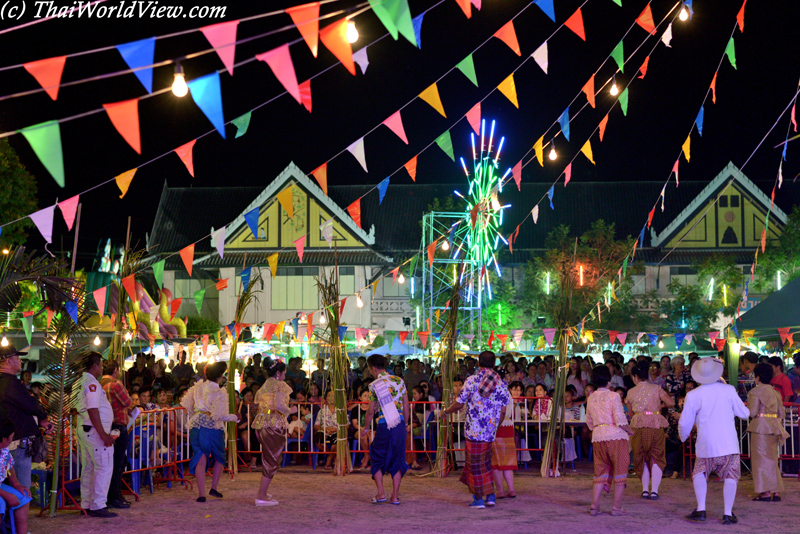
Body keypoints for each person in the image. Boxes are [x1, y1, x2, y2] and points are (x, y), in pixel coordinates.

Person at [680, 357, 750, 525]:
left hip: (706, 443)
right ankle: (727, 514)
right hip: (728, 443)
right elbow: (744, 413)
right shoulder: (729, 390)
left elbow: (684, 422)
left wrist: (683, 436)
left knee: (699, 473)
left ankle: (701, 509)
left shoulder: (693, 394)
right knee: (731, 476)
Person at [442, 351, 511, 509]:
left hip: (473, 430)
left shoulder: (471, 381)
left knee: (474, 465)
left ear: (478, 363)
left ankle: (479, 498)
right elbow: (503, 411)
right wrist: (495, 426)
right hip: (490, 431)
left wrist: (445, 411)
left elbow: (459, 403)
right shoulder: (500, 382)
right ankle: (490, 496)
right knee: (486, 464)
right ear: (493, 364)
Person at [182, 361, 239, 502]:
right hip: (213, 427)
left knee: (200, 456)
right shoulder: (219, 391)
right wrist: (235, 417)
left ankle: (201, 494)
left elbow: (187, 405)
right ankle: (214, 487)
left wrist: (198, 413)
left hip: (197, 424)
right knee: (219, 457)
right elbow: (220, 415)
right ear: (220, 376)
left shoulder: (197, 387)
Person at [0, 342, 53, 495]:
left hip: (8, 442)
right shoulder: (10, 383)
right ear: (9, 361)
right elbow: (30, 405)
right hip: (16, 442)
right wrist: (43, 418)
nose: (21, 361)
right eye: (18, 358)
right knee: (21, 488)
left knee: (10, 485)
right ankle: (19, 517)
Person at [360, 354, 410, 505]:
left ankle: (381, 493)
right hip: (399, 424)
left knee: (376, 456)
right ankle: (395, 496)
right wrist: (406, 424)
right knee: (398, 458)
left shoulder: (375, 384)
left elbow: (370, 411)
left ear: (373, 368)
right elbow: (406, 405)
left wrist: (366, 428)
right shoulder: (399, 381)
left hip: (384, 425)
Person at [586, 365, 633, 517]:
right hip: (615, 436)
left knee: (600, 471)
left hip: (598, 436)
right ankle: (616, 507)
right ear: (608, 378)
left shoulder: (591, 397)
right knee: (620, 470)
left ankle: (594, 505)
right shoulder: (614, 396)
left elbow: (589, 422)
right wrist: (630, 430)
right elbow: (620, 419)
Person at [75, 352, 118, 518]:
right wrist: (103, 434)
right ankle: (98, 504)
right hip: (93, 431)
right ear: (94, 366)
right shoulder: (91, 383)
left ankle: (87, 503)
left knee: (89, 468)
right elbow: (93, 409)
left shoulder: (80, 382)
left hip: (86, 429)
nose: (101, 367)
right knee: (103, 467)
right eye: (100, 364)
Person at [626, 363, 674, 501]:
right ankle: (655, 491)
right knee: (656, 456)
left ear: (635, 377)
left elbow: (631, 413)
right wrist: (660, 405)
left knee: (641, 457)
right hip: (655, 425)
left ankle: (645, 490)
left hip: (638, 425)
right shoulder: (657, 388)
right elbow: (671, 403)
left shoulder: (630, 392)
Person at [252, 360, 295, 506]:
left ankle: (263, 493)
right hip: (274, 424)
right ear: (278, 373)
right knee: (271, 460)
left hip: (262, 423)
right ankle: (261, 496)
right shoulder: (278, 385)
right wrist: (290, 411)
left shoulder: (265, 385)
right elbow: (278, 405)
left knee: (268, 458)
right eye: (283, 372)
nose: (284, 375)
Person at [746, 363, 789, 502]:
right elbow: (782, 413)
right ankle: (775, 492)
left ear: (757, 377)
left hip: (760, 428)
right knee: (772, 460)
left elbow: (752, 412)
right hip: (774, 428)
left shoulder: (754, 392)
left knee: (760, 461)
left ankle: (764, 492)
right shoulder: (775, 392)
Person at [100, 359, 133, 509]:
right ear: (115, 370)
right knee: (118, 463)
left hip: (106, 427)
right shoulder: (115, 384)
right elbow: (128, 402)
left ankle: (108, 495)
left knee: (109, 463)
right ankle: (114, 496)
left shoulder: (100, 384)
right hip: (119, 426)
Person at [0, 416, 32, 534]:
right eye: (11, 437)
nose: (12, 439)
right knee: (0, 504)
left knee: (24, 496)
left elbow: (10, 465)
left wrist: (17, 484)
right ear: (4, 439)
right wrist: (6, 495)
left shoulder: (4, 449)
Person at [492, 381, 521, 498]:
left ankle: (500, 490)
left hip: (498, 425)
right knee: (508, 461)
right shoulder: (507, 392)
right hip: (509, 425)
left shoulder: (494, 391)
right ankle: (511, 489)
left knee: (496, 461)